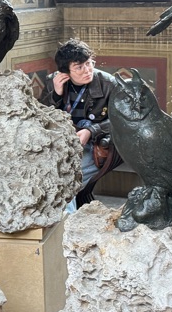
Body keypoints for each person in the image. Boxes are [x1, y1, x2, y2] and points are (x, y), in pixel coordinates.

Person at [41, 39, 122, 209]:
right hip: (61, 144)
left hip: (96, 144)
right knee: (45, 174)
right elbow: (40, 117)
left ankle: (66, 220)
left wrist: (91, 131)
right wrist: (55, 95)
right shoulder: (53, 82)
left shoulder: (108, 84)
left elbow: (122, 120)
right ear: (65, 72)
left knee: (67, 177)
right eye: (79, 67)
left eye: (89, 63)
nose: (87, 70)